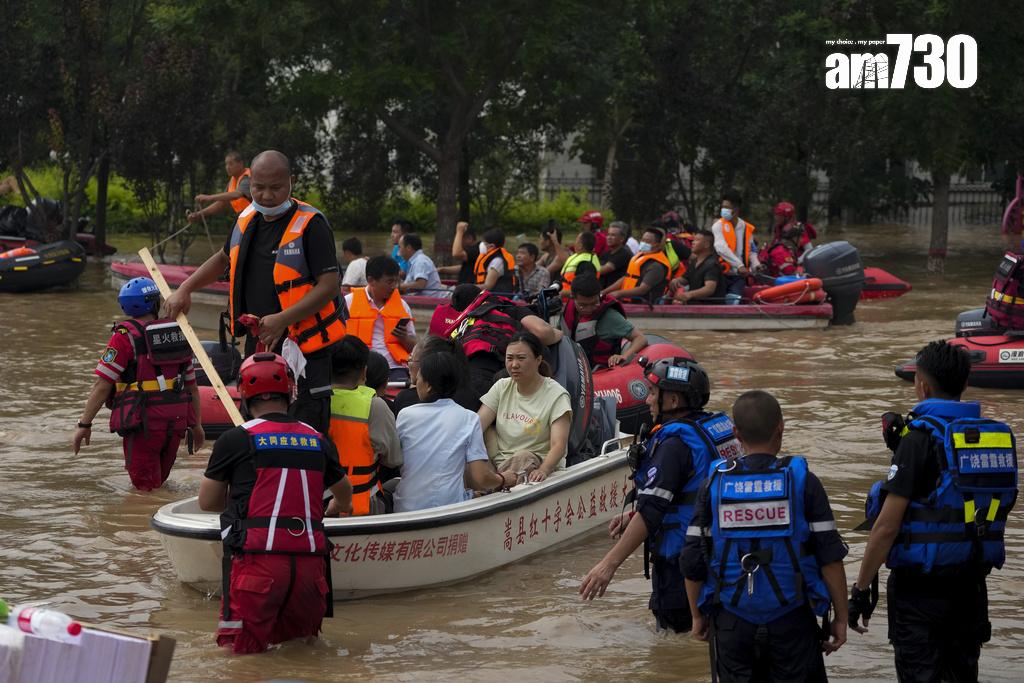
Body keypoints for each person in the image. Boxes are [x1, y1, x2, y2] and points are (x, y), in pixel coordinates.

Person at [849, 341, 1018, 682]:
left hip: (920, 594)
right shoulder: (993, 438)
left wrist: (861, 589)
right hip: (971, 589)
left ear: (923, 386)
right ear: (965, 383)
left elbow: (886, 527)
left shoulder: (918, 440)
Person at [164, 149, 345, 434]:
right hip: (258, 342)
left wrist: (283, 319)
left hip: (302, 348)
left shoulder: (312, 225)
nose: (267, 196)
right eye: (259, 188)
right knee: (255, 426)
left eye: (276, 187)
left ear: (292, 181)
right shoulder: (246, 218)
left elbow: (329, 285)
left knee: (305, 425)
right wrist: (185, 289)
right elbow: (223, 258)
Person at [682, 390, 849, 682]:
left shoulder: (713, 485)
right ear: (780, 428)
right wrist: (841, 619)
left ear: (736, 433)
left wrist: (697, 615)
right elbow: (830, 558)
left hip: (732, 621)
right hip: (792, 620)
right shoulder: (804, 482)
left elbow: (692, 559)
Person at [198, 352, 351, 655]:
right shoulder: (318, 439)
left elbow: (207, 502)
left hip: (257, 565)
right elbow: (345, 493)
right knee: (303, 653)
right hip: (310, 568)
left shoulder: (234, 439)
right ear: (291, 392)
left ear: (243, 394)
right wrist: (334, 506)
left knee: (239, 658)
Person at [579, 358, 739, 633]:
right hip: (721, 555)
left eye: (653, 393)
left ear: (673, 400)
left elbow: (653, 510)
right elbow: (689, 492)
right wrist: (634, 515)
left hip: (682, 565)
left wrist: (608, 565)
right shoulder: (713, 428)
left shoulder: (674, 445)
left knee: (675, 641)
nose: (648, 400)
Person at [73, 277, 203, 491]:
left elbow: (102, 385)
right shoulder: (176, 333)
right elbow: (192, 386)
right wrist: (197, 425)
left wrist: (84, 425)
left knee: (144, 489)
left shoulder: (124, 337)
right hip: (176, 420)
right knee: (158, 483)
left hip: (144, 423)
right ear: (155, 303)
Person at [394, 350, 515, 512]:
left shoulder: (405, 415)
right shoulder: (468, 418)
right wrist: (502, 479)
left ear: (428, 386)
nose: (416, 383)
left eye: (419, 378)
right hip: (451, 507)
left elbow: (395, 459)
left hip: (406, 507)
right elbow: (481, 477)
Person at [478, 332, 571, 482]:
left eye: (521, 358)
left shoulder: (557, 394)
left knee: (523, 457)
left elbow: (558, 444)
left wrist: (543, 470)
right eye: (509, 358)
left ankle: (492, 486)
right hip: (499, 467)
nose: (514, 365)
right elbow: (476, 425)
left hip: (535, 466)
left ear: (538, 360)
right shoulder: (501, 387)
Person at [327, 336, 402, 516]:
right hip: (362, 506)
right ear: (364, 371)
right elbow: (393, 460)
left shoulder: (312, 402)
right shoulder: (375, 405)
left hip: (316, 504)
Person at [447, 283, 563, 400]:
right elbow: (543, 333)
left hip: (463, 386)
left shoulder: (460, 327)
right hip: (496, 381)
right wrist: (560, 333)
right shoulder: (505, 307)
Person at [344, 256, 416, 382]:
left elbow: (414, 348)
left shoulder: (402, 306)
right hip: (357, 366)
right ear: (371, 280)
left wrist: (404, 338)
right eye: (389, 282)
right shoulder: (348, 302)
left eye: (396, 281)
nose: (394, 286)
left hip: (394, 367)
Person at [560, 275, 647, 368]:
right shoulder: (568, 311)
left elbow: (640, 338)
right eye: (583, 305)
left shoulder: (610, 316)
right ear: (572, 297)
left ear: (599, 296)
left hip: (600, 370)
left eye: (594, 303)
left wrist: (624, 356)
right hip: (573, 368)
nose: (589, 309)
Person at [392, 336, 481, 414]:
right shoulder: (473, 397)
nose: (408, 363)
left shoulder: (405, 400)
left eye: (411, 359)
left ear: (426, 365)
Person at [711, 191, 760, 305]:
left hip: (738, 277)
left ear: (736, 209)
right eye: (722, 207)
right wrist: (739, 265)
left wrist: (756, 264)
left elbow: (751, 250)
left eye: (727, 207)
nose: (723, 210)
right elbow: (721, 248)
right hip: (721, 274)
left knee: (734, 302)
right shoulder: (718, 225)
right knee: (718, 304)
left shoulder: (746, 227)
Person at [602, 227, 671, 302]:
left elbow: (642, 289)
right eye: (642, 240)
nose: (643, 243)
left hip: (644, 305)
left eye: (647, 241)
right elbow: (626, 278)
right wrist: (604, 292)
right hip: (627, 301)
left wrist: (618, 293)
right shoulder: (639, 257)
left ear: (657, 245)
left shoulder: (656, 265)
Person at [187, 150, 251, 222]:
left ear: (241, 164)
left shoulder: (247, 178)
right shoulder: (233, 180)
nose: (227, 167)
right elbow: (222, 203)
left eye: (231, 164)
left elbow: (237, 194)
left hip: (255, 217)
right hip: (245, 217)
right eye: (226, 164)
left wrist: (209, 197)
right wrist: (200, 214)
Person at [670, 229, 726, 304]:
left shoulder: (712, 264)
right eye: (693, 240)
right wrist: (676, 281)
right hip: (694, 304)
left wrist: (689, 294)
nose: (693, 243)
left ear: (706, 244)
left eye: (697, 240)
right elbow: (685, 278)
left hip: (709, 306)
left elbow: (709, 289)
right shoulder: (695, 262)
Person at [474, 227, 516, 293]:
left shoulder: (497, 261)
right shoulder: (489, 257)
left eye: (484, 243)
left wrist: (467, 287)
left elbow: (488, 286)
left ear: (492, 246)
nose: (481, 245)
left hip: (497, 296)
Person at [599, 222, 633, 289]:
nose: (609, 237)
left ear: (622, 238)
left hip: (615, 292)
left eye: (613, 235)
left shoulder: (624, 253)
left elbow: (603, 270)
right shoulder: (606, 253)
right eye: (608, 234)